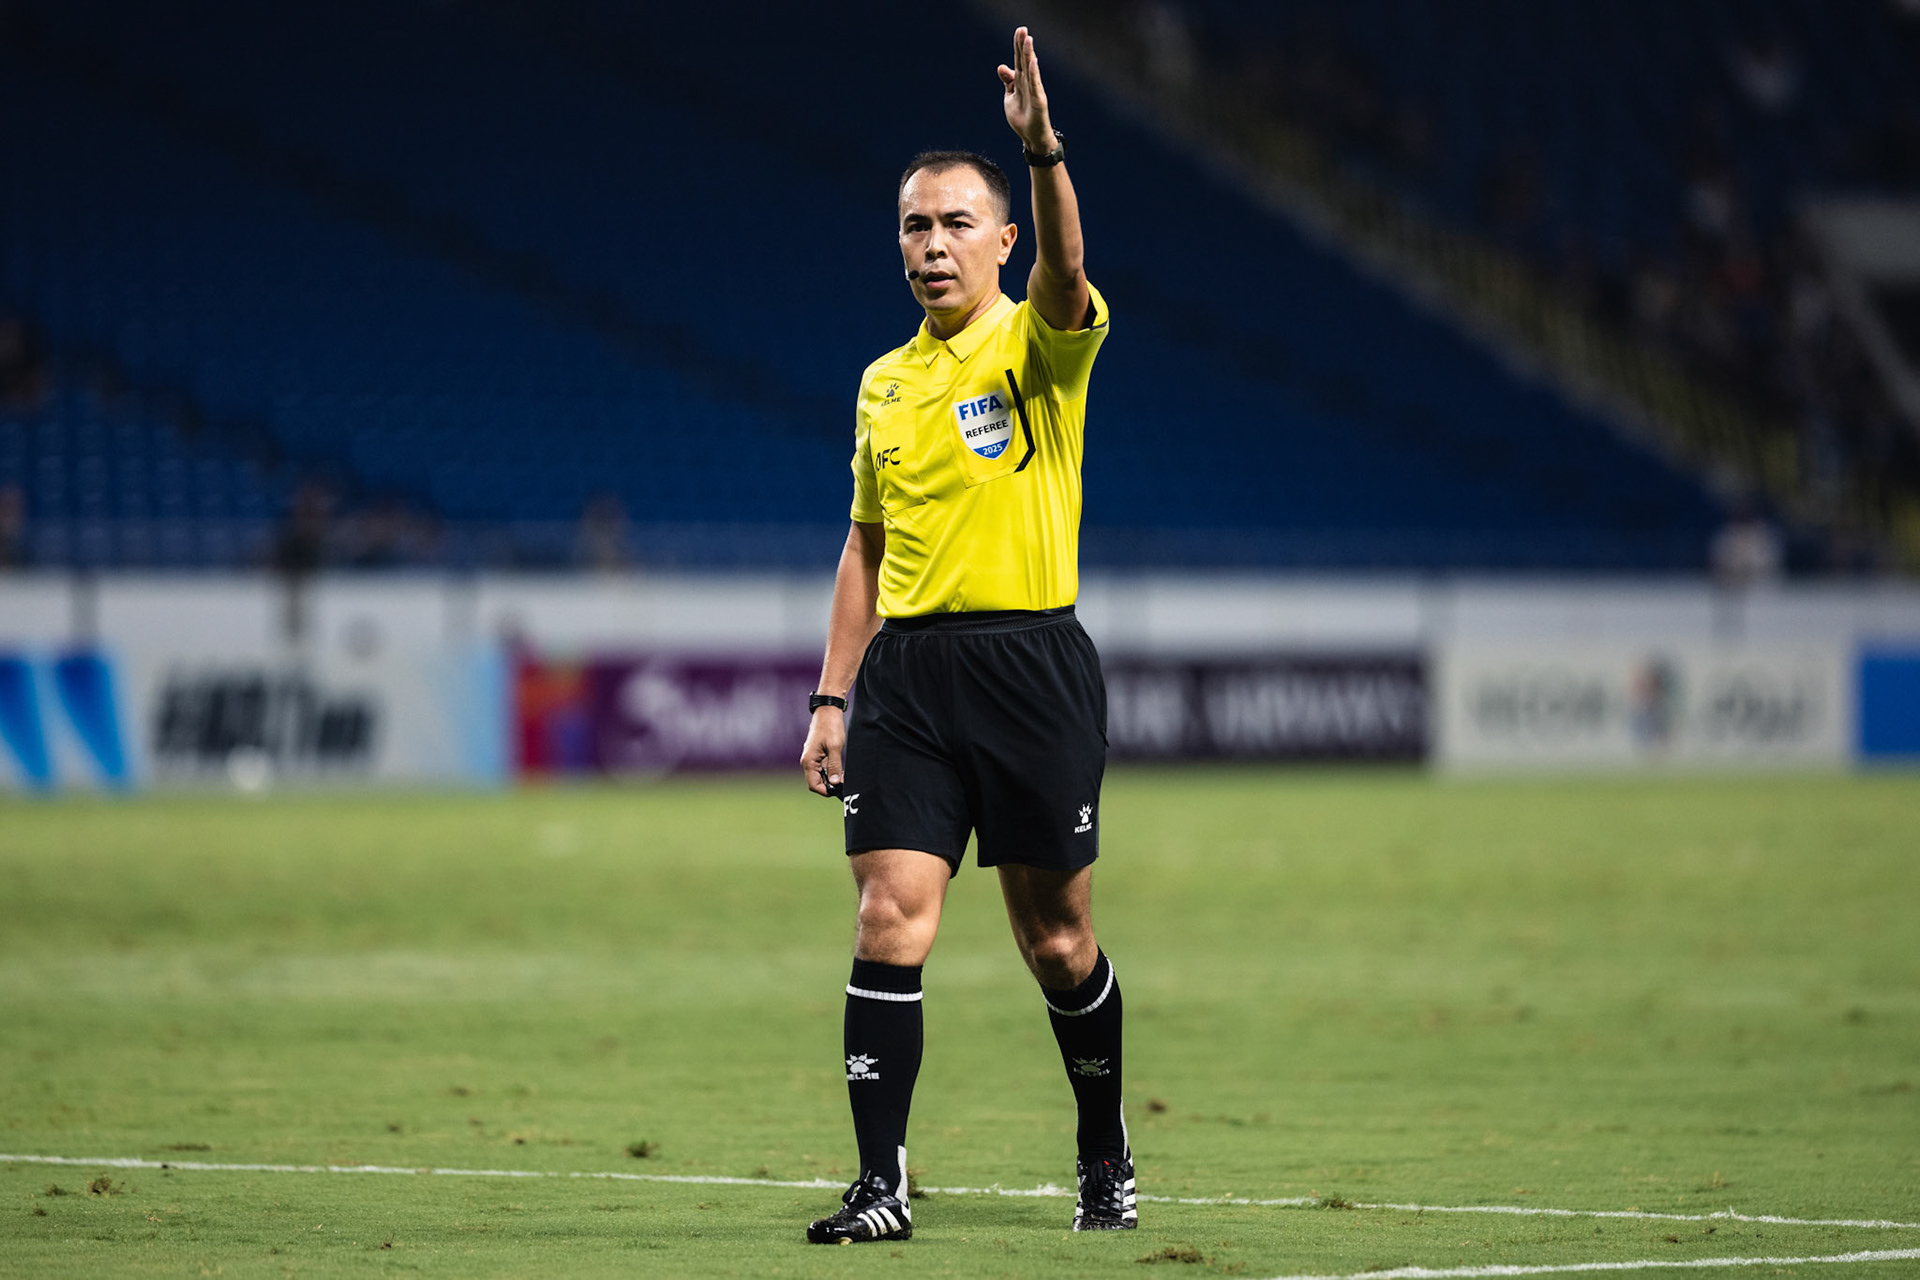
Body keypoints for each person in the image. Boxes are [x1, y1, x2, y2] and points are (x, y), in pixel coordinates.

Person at [796, 26, 1130, 1245]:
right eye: (911, 227)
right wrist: (833, 697)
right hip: (909, 680)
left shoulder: (1039, 342)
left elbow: (1069, 264)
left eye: (952, 224)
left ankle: (1103, 1147)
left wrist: (1042, 150)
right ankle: (881, 1183)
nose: (930, 246)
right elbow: (865, 549)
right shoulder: (884, 382)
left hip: (1031, 666)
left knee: (1056, 938)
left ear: (1002, 240)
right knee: (890, 914)